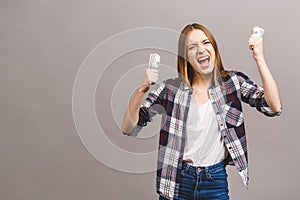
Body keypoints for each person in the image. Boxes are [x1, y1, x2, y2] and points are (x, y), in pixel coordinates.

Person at [121, 23, 282, 200]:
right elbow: (129, 128)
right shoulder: (170, 89)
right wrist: (142, 89)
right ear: (185, 56)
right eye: (192, 47)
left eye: (206, 43)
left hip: (215, 180)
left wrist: (259, 58)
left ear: (213, 48)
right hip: (177, 181)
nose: (201, 50)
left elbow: (273, 106)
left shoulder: (232, 83)